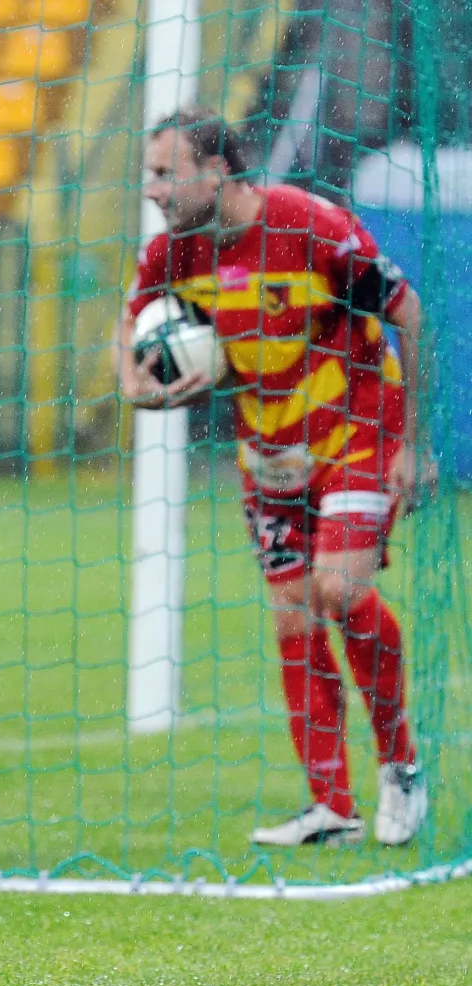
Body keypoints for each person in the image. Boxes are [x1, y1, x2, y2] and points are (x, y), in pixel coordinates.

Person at [114, 107, 436, 848]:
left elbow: (410, 313)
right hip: (268, 452)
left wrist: (413, 446)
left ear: (216, 169)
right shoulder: (171, 254)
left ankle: (401, 765)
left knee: (338, 591)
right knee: (294, 616)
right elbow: (129, 322)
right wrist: (133, 381)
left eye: (164, 173)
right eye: (147, 174)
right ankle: (333, 807)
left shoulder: (311, 226)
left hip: (358, 426)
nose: (152, 190)